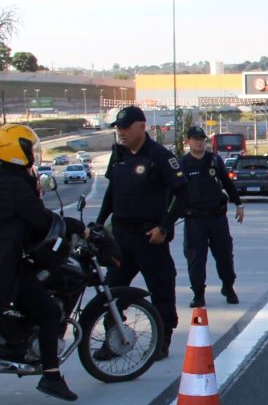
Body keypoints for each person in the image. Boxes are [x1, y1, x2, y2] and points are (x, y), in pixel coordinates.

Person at [0, 123, 84, 401]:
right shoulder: (13, 185)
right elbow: (40, 219)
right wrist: (70, 226)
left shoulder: (0, 179)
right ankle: (51, 376)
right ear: (16, 150)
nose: (32, 152)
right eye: (28, 147)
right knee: (48, 311)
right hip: (5, 264)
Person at [95, 106, 188, 360]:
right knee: (112, 293)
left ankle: (162, 340)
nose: (121, 132)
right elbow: (112, 191)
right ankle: (113, 341)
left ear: (141, 126)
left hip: (150, 237)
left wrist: (165, 227)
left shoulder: (160, 156)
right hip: (121, 237)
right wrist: (100, 222)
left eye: (126, 127)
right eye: (118, 128)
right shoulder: (119, 154)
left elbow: (183, 193)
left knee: (161, 289)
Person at [180, 126, 244, 308]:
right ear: (188, 141)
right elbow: (174, 192)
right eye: (195, 139)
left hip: (217, 218)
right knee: (196, 259)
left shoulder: (214, 160)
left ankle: (228, 286)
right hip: (194, 220)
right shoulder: (183, 164)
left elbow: (227, 182)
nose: (199, 142)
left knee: (225, 256)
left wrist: (239, 204)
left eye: (201, 139)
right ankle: (198, 294)